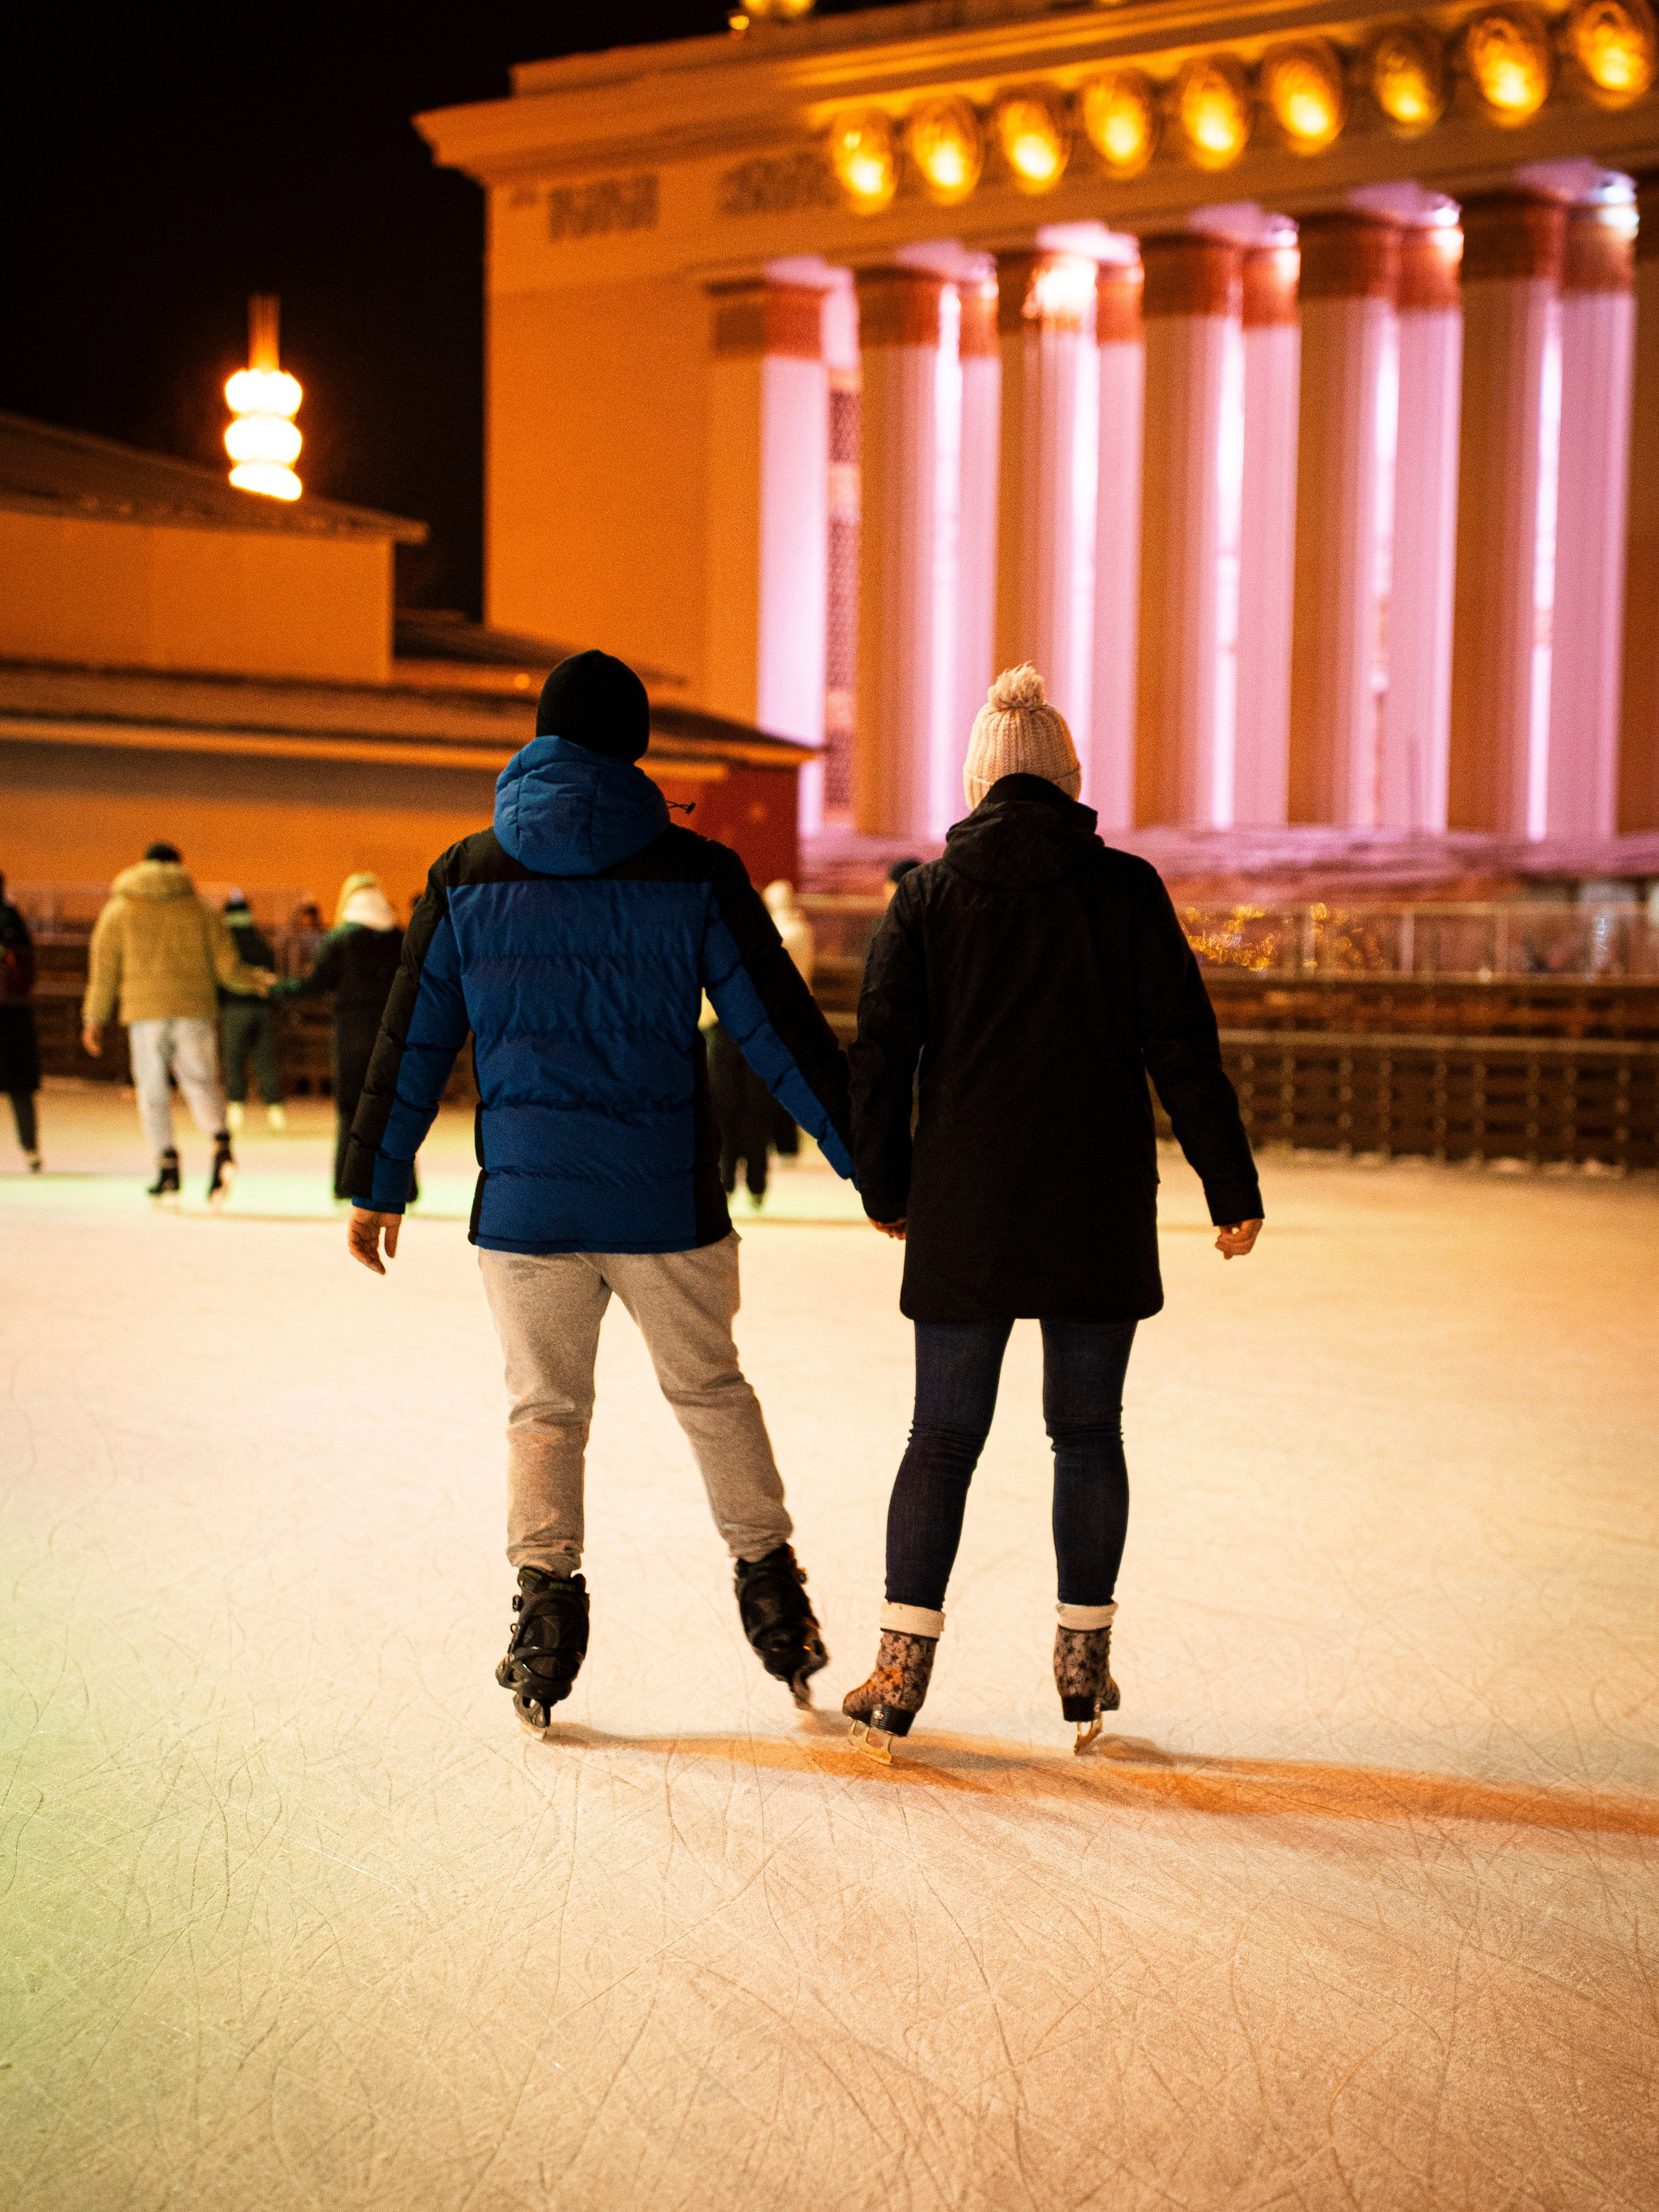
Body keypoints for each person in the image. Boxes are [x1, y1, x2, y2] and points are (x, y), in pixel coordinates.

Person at [343, 649, 855, 1734]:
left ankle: (544, 1618)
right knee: (712, 1393)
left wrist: (376, 1181)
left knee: (544, 1411)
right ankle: (774, 1593)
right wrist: (873, 1162)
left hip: (529, 1212)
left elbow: (415, 1034)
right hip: (665, 1198)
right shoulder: (698, 871)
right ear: (634, 750)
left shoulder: (465, 872)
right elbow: (776, 1029)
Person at [842, 665, 1264, 1760]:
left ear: (978, 783)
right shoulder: (1125, 890)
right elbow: (1184, 1044)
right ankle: (1084, 1663)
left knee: (942, 1437)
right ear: (1069, 782)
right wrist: (1232, 1185)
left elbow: (883, 1057)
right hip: (1095, 1200)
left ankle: (899, 1671)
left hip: (967, 1204)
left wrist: (887, 1188)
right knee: (1087, 1433)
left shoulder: (928, 897)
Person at [81, 842, 272, 1204]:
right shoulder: (201, 910)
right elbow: (227, 967)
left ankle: (167, 1165)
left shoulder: (120, 909)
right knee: (200, 1082)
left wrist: (94, 1018)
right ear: (178, 866)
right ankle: (221, 1145)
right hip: (194, 1009)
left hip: (145, 1012)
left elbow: (104, 970)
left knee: (152, 1090)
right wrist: (259, 980)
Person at [270, 873, 405, 1201]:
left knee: (350, 1110)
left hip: (352, 1034)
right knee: (392, 1110)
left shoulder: (340, 939)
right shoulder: (400, 938)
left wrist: (275, 988)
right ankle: (401, 1187)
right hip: (394, 1034)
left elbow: (316, 986)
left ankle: (348, 1183)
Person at [219, 892, 286, 1132]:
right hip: (262, 1010)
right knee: (265, 1060)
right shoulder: (261, 943)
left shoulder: (227, 945)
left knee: (234, 1059)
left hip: (235, 1008)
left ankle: (236, 1110)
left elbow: (221, 976)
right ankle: (275, 1112)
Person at [0, 870, 43, 1172]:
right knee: (20, 1086)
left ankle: (31, 1150)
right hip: (15, 1011)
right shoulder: (12, 918)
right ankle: (31, 1150)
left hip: (11, 1009)